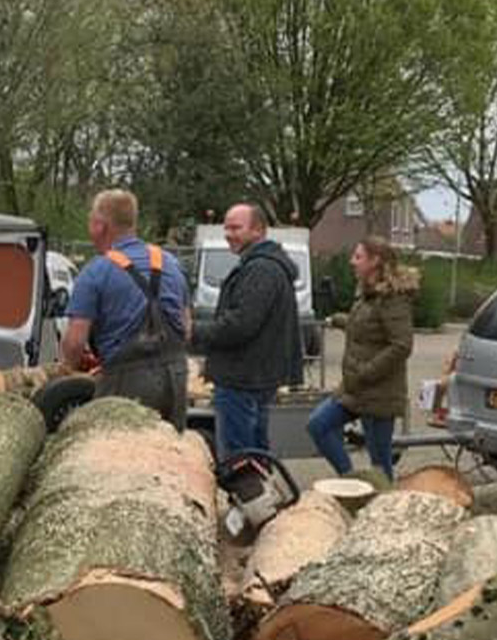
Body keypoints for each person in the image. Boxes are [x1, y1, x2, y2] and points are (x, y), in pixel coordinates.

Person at [60, 189, 190, 428]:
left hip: (127, 382)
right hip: (176, 378)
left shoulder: (96, 272)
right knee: (169, 454)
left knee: (119, 456)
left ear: (100, 226)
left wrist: (65, 372)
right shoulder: (171, 263)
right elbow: (186, 329)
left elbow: (75, 342)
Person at [195, 201, 301, 456]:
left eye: (236, 228)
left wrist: (194, 331)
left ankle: (249, 494)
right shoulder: (262, 265)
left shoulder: (261, 269)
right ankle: (261, 489)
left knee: (239, 457)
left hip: (242, 378)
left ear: (258, 231)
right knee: (255, 451)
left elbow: (241, 325)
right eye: (226, 228)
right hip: (253, 375)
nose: (228, 234)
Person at [307, 237, 415, 480]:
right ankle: (353, 483)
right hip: (355, 389)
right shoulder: (368, 294)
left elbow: (402, 345)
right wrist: (339, 320)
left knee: (380, 465)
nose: (351, 261)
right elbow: (367, 328)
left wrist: (366, 372)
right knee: (318, 425)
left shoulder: (392, 298)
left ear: (375, 261)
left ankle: (382, 505)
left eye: (358, 257)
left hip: (378, 393)